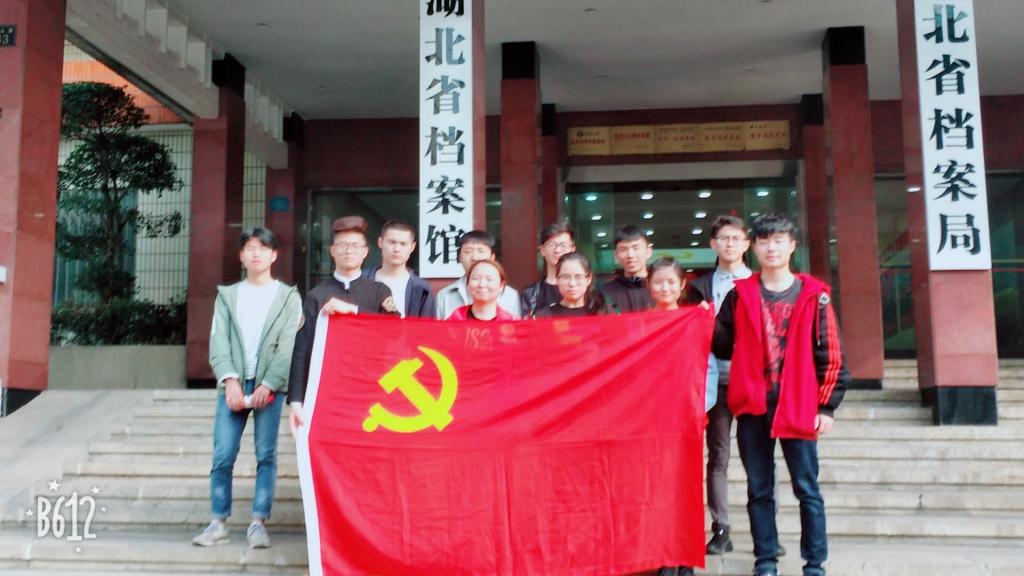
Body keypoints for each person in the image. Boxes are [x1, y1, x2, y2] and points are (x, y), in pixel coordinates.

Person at [713, 213, 850, 576]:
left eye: (778, 241)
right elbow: (720, 344)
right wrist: (699, 320)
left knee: (807, 489)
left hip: (799, 405)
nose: (771, 247)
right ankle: (766, 560)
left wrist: (826, 407)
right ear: (754, 248)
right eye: (764, 241)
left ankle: (814, 563)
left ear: (792, 246)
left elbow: (832, 354)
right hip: (753, 406)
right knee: (759, 489)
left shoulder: (815, 296)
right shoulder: (739, 295)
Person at [193, 227, 303, 549]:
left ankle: (258, 522)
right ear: (241, 256)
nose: (257, 253)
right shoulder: (228, 296)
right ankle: (218, 522)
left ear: (274, 255)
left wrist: (269, 384)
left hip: (270, 386)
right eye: (250, 248)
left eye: (263, 248)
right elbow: (219, 341)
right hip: (235, 384)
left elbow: (288, 346)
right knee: (223, 454)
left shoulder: (287, 297)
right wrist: (230, 381)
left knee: (266, 455)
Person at [288, 215, 398, 436]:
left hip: (371, 387)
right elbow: (302, 350)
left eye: (355, 246)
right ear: (332, 251)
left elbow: (395, 331)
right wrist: (296, 401)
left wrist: (354, 312)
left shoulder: (379, 292)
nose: (349, 251)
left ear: (365, 251)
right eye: (343, 245)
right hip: (329, 389)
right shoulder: (317, 295)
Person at [685, 215, 752, 556]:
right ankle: (721, 529)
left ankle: (766, 531)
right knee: (719, 456)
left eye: (736, 238)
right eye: (723, 238)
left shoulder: (759, 284)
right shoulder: (698, 286)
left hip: (751, 381)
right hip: (712, 382)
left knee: (759, 458)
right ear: (713, 244)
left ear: (746, 244)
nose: (729, 244)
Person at [647, 256, 707, 576]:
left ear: (682, 285)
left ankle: (686, 556)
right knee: (658, 489)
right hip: (651, 418)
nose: (665, 288)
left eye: (671, 282)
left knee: (687, 488)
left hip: (685, 415)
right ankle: (665, 555)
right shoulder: (640, 324)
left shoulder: (693, 320)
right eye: (658, 282)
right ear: (649, 285)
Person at [436, 230, 522, 319]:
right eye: (468, 251)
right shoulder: (445, 295)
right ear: (460, 258)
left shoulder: (510, 295)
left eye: (481, 251)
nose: (474, 257)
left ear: (492, 257)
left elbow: (515, 326)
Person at [367, 219, 436, 318]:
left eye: (403, 244)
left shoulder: (422, 289)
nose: (397, 249)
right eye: (392, 242)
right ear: (380, 242)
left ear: (412, 247)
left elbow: (427, 325)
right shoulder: (361, 280)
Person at [521, 222, 576, 318]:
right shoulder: (531, 294)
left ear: (572, 249)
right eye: (552, 245)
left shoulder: (582, 289)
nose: (557, 250)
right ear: (542, 250)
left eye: (563, 245)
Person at [599, 224, 654, 313]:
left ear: (648, 252)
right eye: (623, 249)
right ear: (616, 255)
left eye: (636, 248)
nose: (630, 255)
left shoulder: (661, 288)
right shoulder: (606, 292)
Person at [536, 252, 609, 317]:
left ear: (588, 279)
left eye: (578, 277)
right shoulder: (544, 316)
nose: (572, 283)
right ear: (557, 279)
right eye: (566, 277)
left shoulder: (603, 313)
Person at [447, 259, 516, 321]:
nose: (482, 285)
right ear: (467, 284)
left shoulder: (511, 322)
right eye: (476, 278)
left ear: (501, 286)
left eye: (489, 279)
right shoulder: (455, 319)